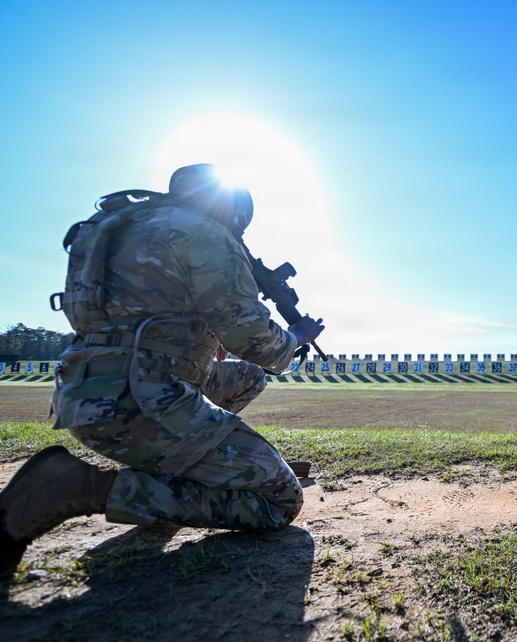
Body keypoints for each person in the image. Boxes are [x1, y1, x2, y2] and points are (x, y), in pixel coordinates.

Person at [0, 164, 325, 579]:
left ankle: (196, 462)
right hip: (141, 398)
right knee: (280, 500)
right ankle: (79, 487)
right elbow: (257, 342)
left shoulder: (121, 225)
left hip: (87, 390)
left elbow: (143, 313)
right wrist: (296, 336)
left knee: (247, 377)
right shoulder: (205, 232)